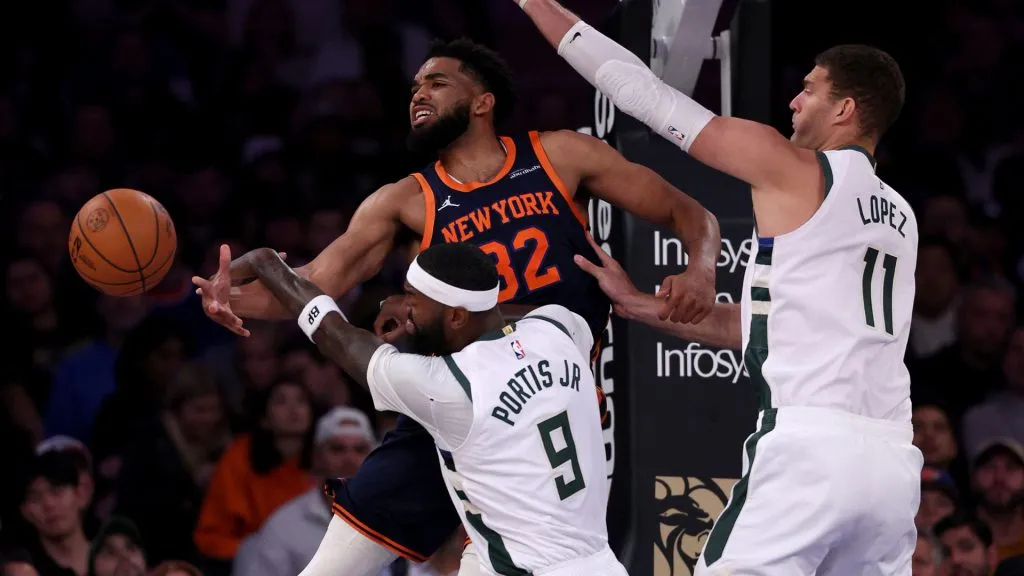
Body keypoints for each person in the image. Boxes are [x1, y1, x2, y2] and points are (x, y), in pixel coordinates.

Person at [194, 37, 721, 574]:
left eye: (437, 82)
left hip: (541, 400)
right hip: (449, 397)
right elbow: (316, 281)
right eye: (414, 87)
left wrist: (701, 269)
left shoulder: (561, 156)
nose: (418, 94)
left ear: (483, 101)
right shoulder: (404, 200)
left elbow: (687, 211)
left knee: (524, 559)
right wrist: (229, 297)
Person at [517, 2, 922, 572]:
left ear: (845, 108)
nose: (794, 101)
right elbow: (769, 325)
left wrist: (535, 4)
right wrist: (639, 305)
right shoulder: (901, 216)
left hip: (811, 444)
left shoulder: (795, 168)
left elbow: (646, 96)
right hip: (893, 463)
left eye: (809, 90)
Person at [215, 242, 627, 576]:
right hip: (601, 563)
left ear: (456, 315)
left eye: (414, 301)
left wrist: (267, 264)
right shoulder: (559, 327)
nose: (406, 310)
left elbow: (335, 335)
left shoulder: (448, 386)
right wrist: (421, 312)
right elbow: (507, 316)